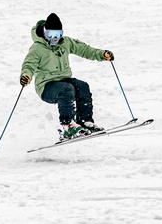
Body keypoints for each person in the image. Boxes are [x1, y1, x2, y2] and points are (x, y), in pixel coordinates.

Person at [20, 12, 114, 141]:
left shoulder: (65, 42)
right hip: (46, 86)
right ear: (44, 33)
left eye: (58, 35)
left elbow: (85, 50)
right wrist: (26, 76)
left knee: (82, 86)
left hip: (64, 80)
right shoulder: (37, 48)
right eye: (51, 35)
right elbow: (29, 64)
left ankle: (85, 121)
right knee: (67, 89)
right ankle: (68, 126)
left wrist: (102, 55)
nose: (54, 38)